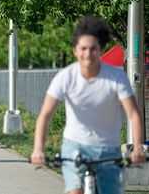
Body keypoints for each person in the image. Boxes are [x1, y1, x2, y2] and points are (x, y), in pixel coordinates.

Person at [31, 16, 145, 194]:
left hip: (108, 150)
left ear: (100, 50)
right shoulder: (66, 77)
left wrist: (137, 148)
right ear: (75, 51)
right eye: (83, 48)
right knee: (75, 191)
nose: (88, 54)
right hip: (75, 147)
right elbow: (45, 115)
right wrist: (38, 149)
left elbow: (133, 114)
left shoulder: (116, 77)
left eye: (93, 49)